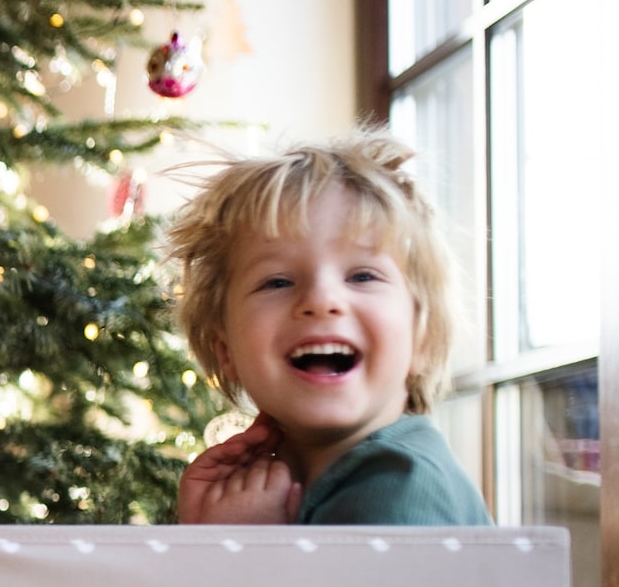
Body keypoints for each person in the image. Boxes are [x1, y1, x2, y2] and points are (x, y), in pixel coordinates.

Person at [162, 129, 490, 525]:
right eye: (277, 282)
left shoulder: (399, 487)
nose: (321, 300)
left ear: (424, 339)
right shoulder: (346, 478)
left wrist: (244, 545)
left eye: (363, 276)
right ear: (225, 350)